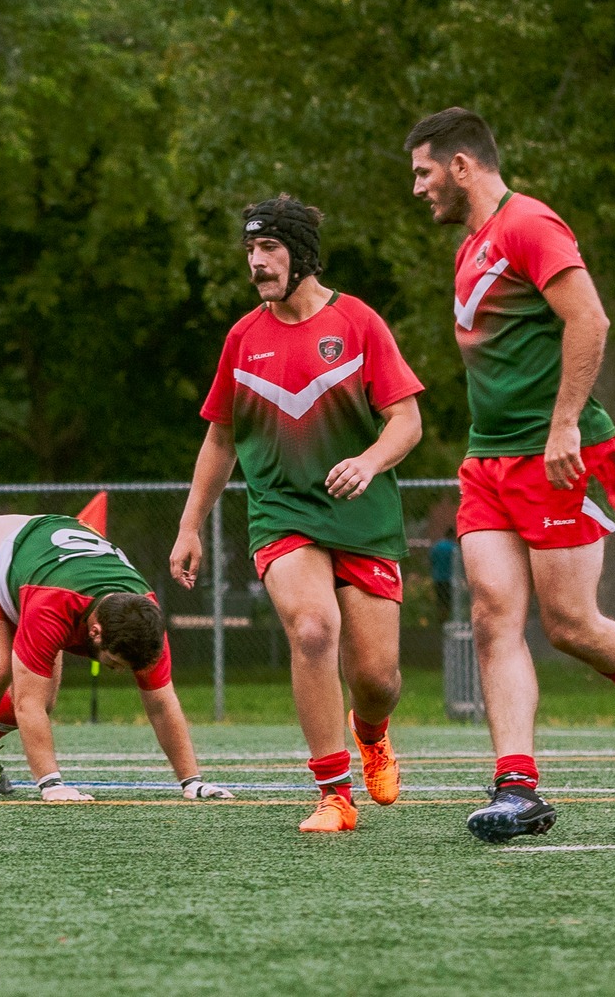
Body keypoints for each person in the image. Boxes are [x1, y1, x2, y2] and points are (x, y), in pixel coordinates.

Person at [407, 106, 615, 842]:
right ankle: (517, 787)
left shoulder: (528, 224)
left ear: (461, 166)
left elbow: (590, 320)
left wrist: (564, 422)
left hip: (558, 455)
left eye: (424, 172)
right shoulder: (469, 247)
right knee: (490, 616)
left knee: (569, 624)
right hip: (487, 460)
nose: (418, 188)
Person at [168, 196, 424, 833]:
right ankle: (334, 794)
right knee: (312, 630)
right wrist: (190, 526)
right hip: (281, 515)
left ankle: (372, 733)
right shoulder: (242, 338)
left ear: (302, 255)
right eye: (250, 250)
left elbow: (407, 421)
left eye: (269, 248)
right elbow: (221, 439)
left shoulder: (358, 322)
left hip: (362, 519)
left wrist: (368, 461)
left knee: (378, 679)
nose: (256, 262)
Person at [0, 512, 231, 804]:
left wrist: (192, 781)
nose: (119, 672)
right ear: (95, 632)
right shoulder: (52, 607)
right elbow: (27, 705)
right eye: (115, 662)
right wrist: (51, 785)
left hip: (36, 562)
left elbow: (161, 704)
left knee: (46, 700)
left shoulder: (145, 617)